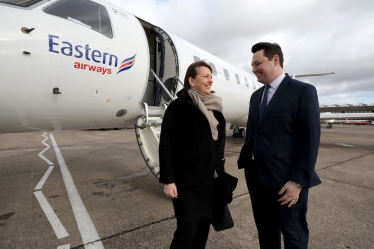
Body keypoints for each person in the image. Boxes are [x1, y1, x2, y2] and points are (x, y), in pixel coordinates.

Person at [238, 42, 321, 249]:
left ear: (275, 60)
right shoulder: (256, 96)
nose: (253, 69)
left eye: (258, 63)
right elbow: (253, 134)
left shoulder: (303, 91)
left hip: (286, 182)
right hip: (257, 179)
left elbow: (309, 140)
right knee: (266, 232)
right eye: (252, 64)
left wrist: (298, 182)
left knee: (293, 233)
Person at [159, 61, 226, 249]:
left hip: (210, 181)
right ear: (191, 80)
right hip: (186, 183)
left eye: (211, 76)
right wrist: (168, 180)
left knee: (203, 230)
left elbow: (218, 146)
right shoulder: (178, 108)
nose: (210, 80)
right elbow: (166, 147)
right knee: (186, 232)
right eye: (205, 76)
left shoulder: (216, 109)